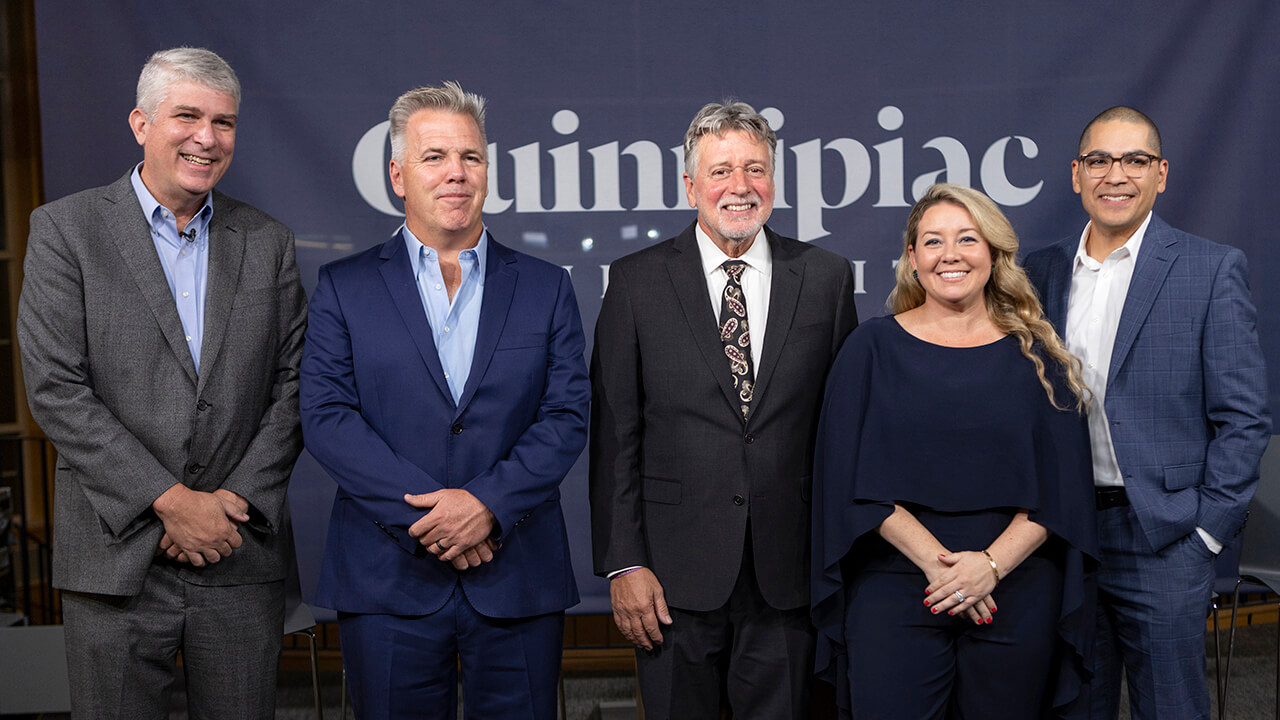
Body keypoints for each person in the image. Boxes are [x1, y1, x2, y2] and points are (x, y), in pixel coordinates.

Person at [16, 47, 306, 718]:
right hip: (114, 558)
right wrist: (170, 502)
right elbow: (57, 388)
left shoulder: (269, 243)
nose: (207, 137)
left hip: (238, 553)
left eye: (224, 121)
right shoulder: (65, 231)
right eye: (187, 116)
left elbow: (294, 388)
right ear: (140, 123)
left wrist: (226, 505)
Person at [299, 82, 589, 720]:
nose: (456, 173)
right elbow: (326, 419)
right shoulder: (343, 288)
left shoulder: (545, 288)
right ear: (398, 175)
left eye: (471, 157)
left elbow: (565, 417)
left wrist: (486, 504)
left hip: (517, 575)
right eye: (435, 157)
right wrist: (434, 518)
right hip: (387, 578)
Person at [589, 100, 859, 719]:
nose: (740, 187)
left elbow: (839, 433)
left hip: (788, 573)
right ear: (690, 187)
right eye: (721, 171)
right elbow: (615, 437)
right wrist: (624, 562)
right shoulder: (635, 281)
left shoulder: (826, 278)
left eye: (755, 169)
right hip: (670, 578)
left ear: (774, 181)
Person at [811, 183, 1098, 719]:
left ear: (993, 253)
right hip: (897, 583)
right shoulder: (868, 349)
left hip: (1016, 586)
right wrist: (945, 570)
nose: (951, 254)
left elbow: (1064, 491)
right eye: (933, 241)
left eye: (967, 239)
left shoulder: (1039, 356)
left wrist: (988, 566)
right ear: (913, 258)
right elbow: (844, 478)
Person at [1024, 106, 1272, 720]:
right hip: (1064, 535)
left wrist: (1207, 529)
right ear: (1075, 175)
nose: (1116, 175)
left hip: (1164, 537)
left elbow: (1245, 417)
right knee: (1074, 703)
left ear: (1161, 174)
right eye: (1099, 160)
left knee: (1170, 707)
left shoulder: (1209, 270)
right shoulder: (1039, 271)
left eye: (1135, 160)